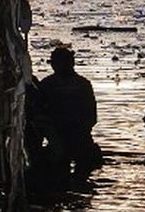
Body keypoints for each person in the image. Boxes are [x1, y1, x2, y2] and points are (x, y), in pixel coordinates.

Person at [37, 46, 103, 182]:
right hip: (58, 137)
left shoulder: (82, 85)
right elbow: (39, 114)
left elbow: (91, 116)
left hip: (78, 137)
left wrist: (80, 131)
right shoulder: (47, 85)